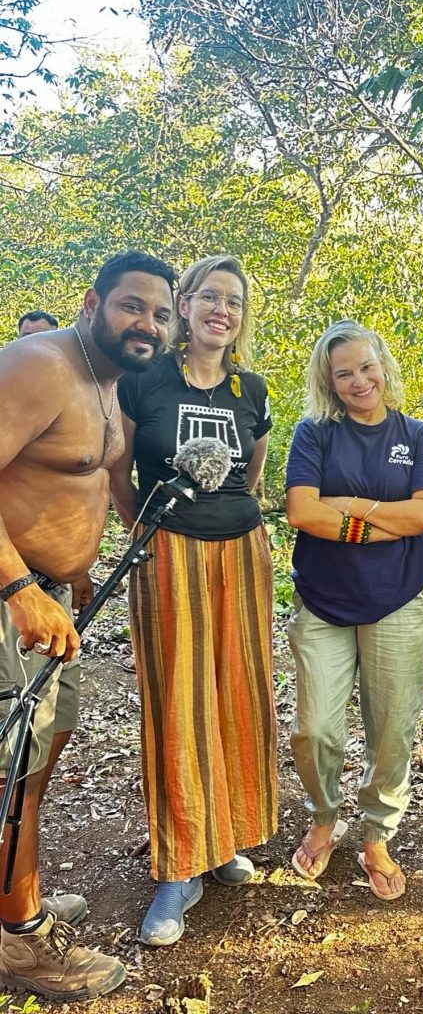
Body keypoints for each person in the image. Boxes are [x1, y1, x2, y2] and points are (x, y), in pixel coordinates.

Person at [0, 251, 175, 1001]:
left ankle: (17, 901)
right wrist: (17, 588)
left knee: (32, 767)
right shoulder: (39, 366)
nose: (149, 324)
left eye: (161, 313)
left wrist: (74, 575)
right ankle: (22, 946)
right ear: (92, 301)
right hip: (12, 601)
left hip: (51, 603)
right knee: (8, 776)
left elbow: (74, 486)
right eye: (134, 306)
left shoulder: (108, 382)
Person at [110, 255, 277, 946]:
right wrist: (141, 529)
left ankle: (225, 837)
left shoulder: (251, 388)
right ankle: (179, 865)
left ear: (240, 317)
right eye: (209, 296)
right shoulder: (145, 380)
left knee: (238, 692)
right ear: (184, 304)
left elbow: (254, 472)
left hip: (241, 551)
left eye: (233, 302)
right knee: (178, 700)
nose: (221, 309)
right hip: (167, 552)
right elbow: (118, 468)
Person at [285, 320, 423, 902]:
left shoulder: (419, 435)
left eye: (366, 366)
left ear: (384, 364)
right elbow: (302, 513)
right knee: (316, 729)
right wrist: (381, 520)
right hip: (324, 602)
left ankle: (377, 833)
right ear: (329, 382)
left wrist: (346, 508)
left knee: (392, 729)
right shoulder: (314, 434)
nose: (359, 381)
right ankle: (324, 814)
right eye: (344, 373)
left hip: (399, 600)